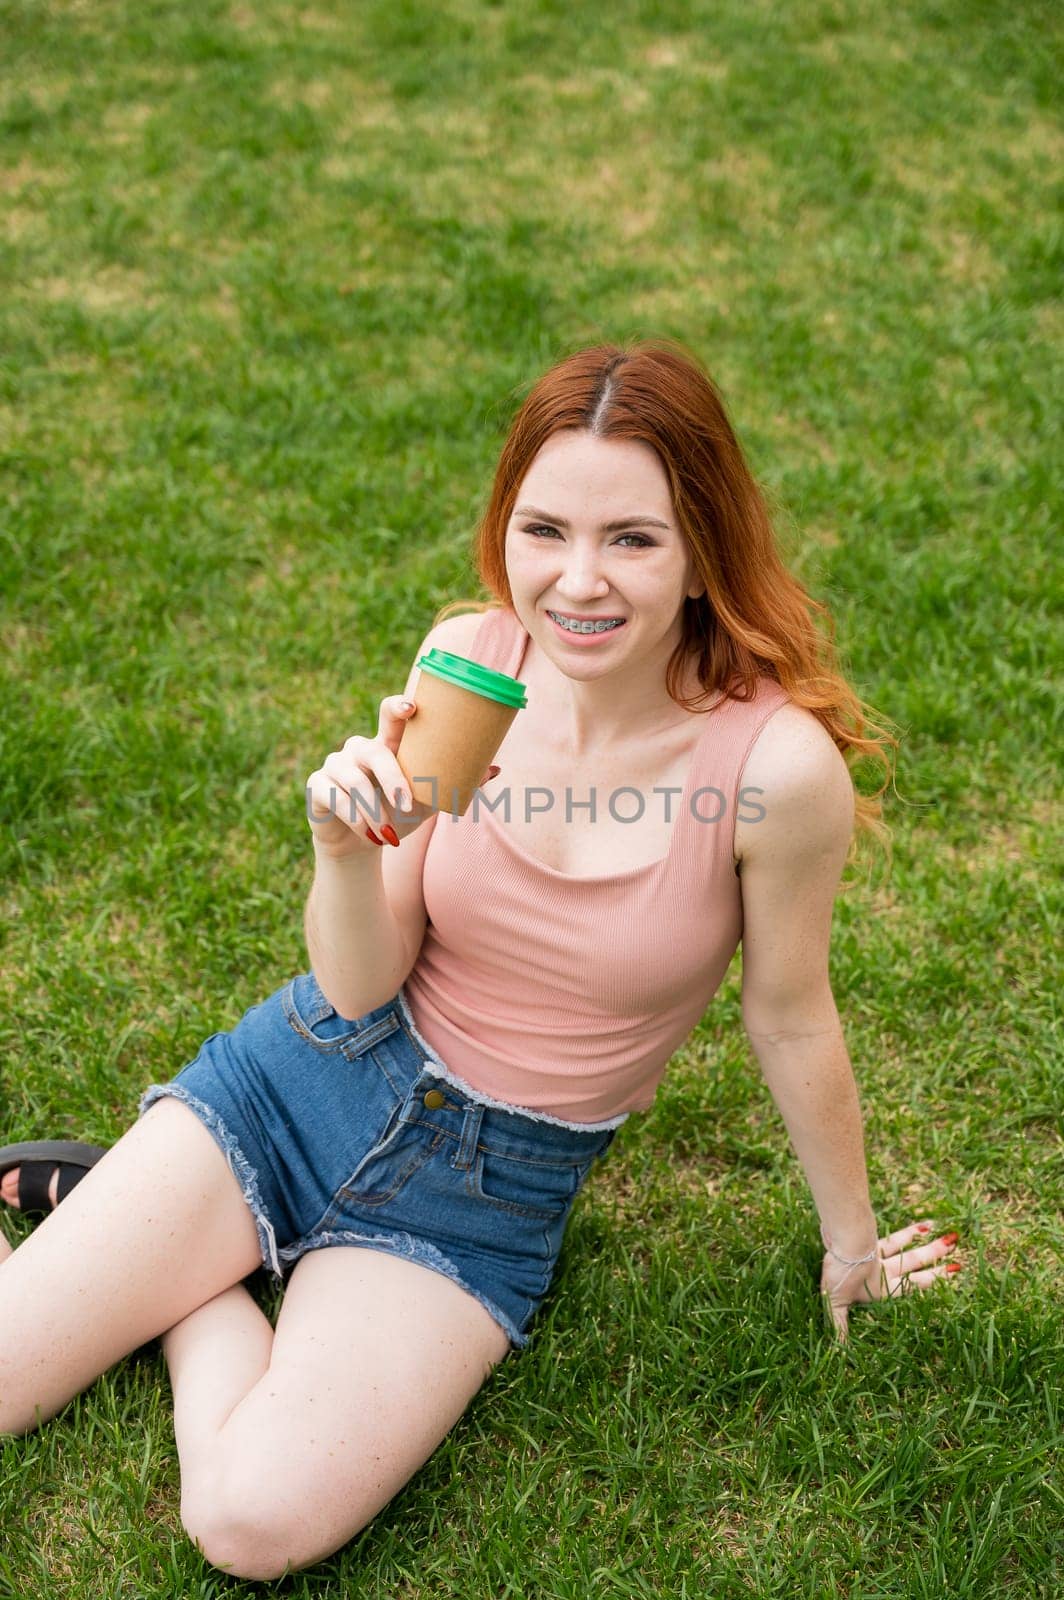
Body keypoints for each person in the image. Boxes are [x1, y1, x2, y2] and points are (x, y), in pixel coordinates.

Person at [0, 339, 960, 1580]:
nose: (575, 583)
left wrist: (852, 1244)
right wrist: (343, 850)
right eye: (542, 528)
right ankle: (180, 1238)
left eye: (632, 539)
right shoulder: (471, 663)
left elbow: (787, 1015)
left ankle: (190, 1293)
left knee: (246, 1524)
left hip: (481, 1190)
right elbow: (357, 984)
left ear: (701, 550)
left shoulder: (772, 772)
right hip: (312, 1072)